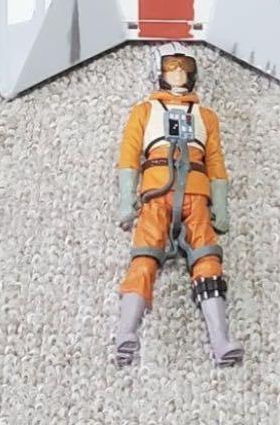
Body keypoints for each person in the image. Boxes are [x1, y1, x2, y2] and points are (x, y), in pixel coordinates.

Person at [114, 42, 243, 366]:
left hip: (196, 195)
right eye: (171, 68)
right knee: (144, 258)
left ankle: (220, 340)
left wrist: (221, 206)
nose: (178, 74)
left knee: (208, 260)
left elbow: (216, 162)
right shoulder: (144, 111)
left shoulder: (206, 116)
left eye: (184, 68)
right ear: (159, 72)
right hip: (156, 194)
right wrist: (126, 200)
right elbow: (129, 155)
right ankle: (125, 333)